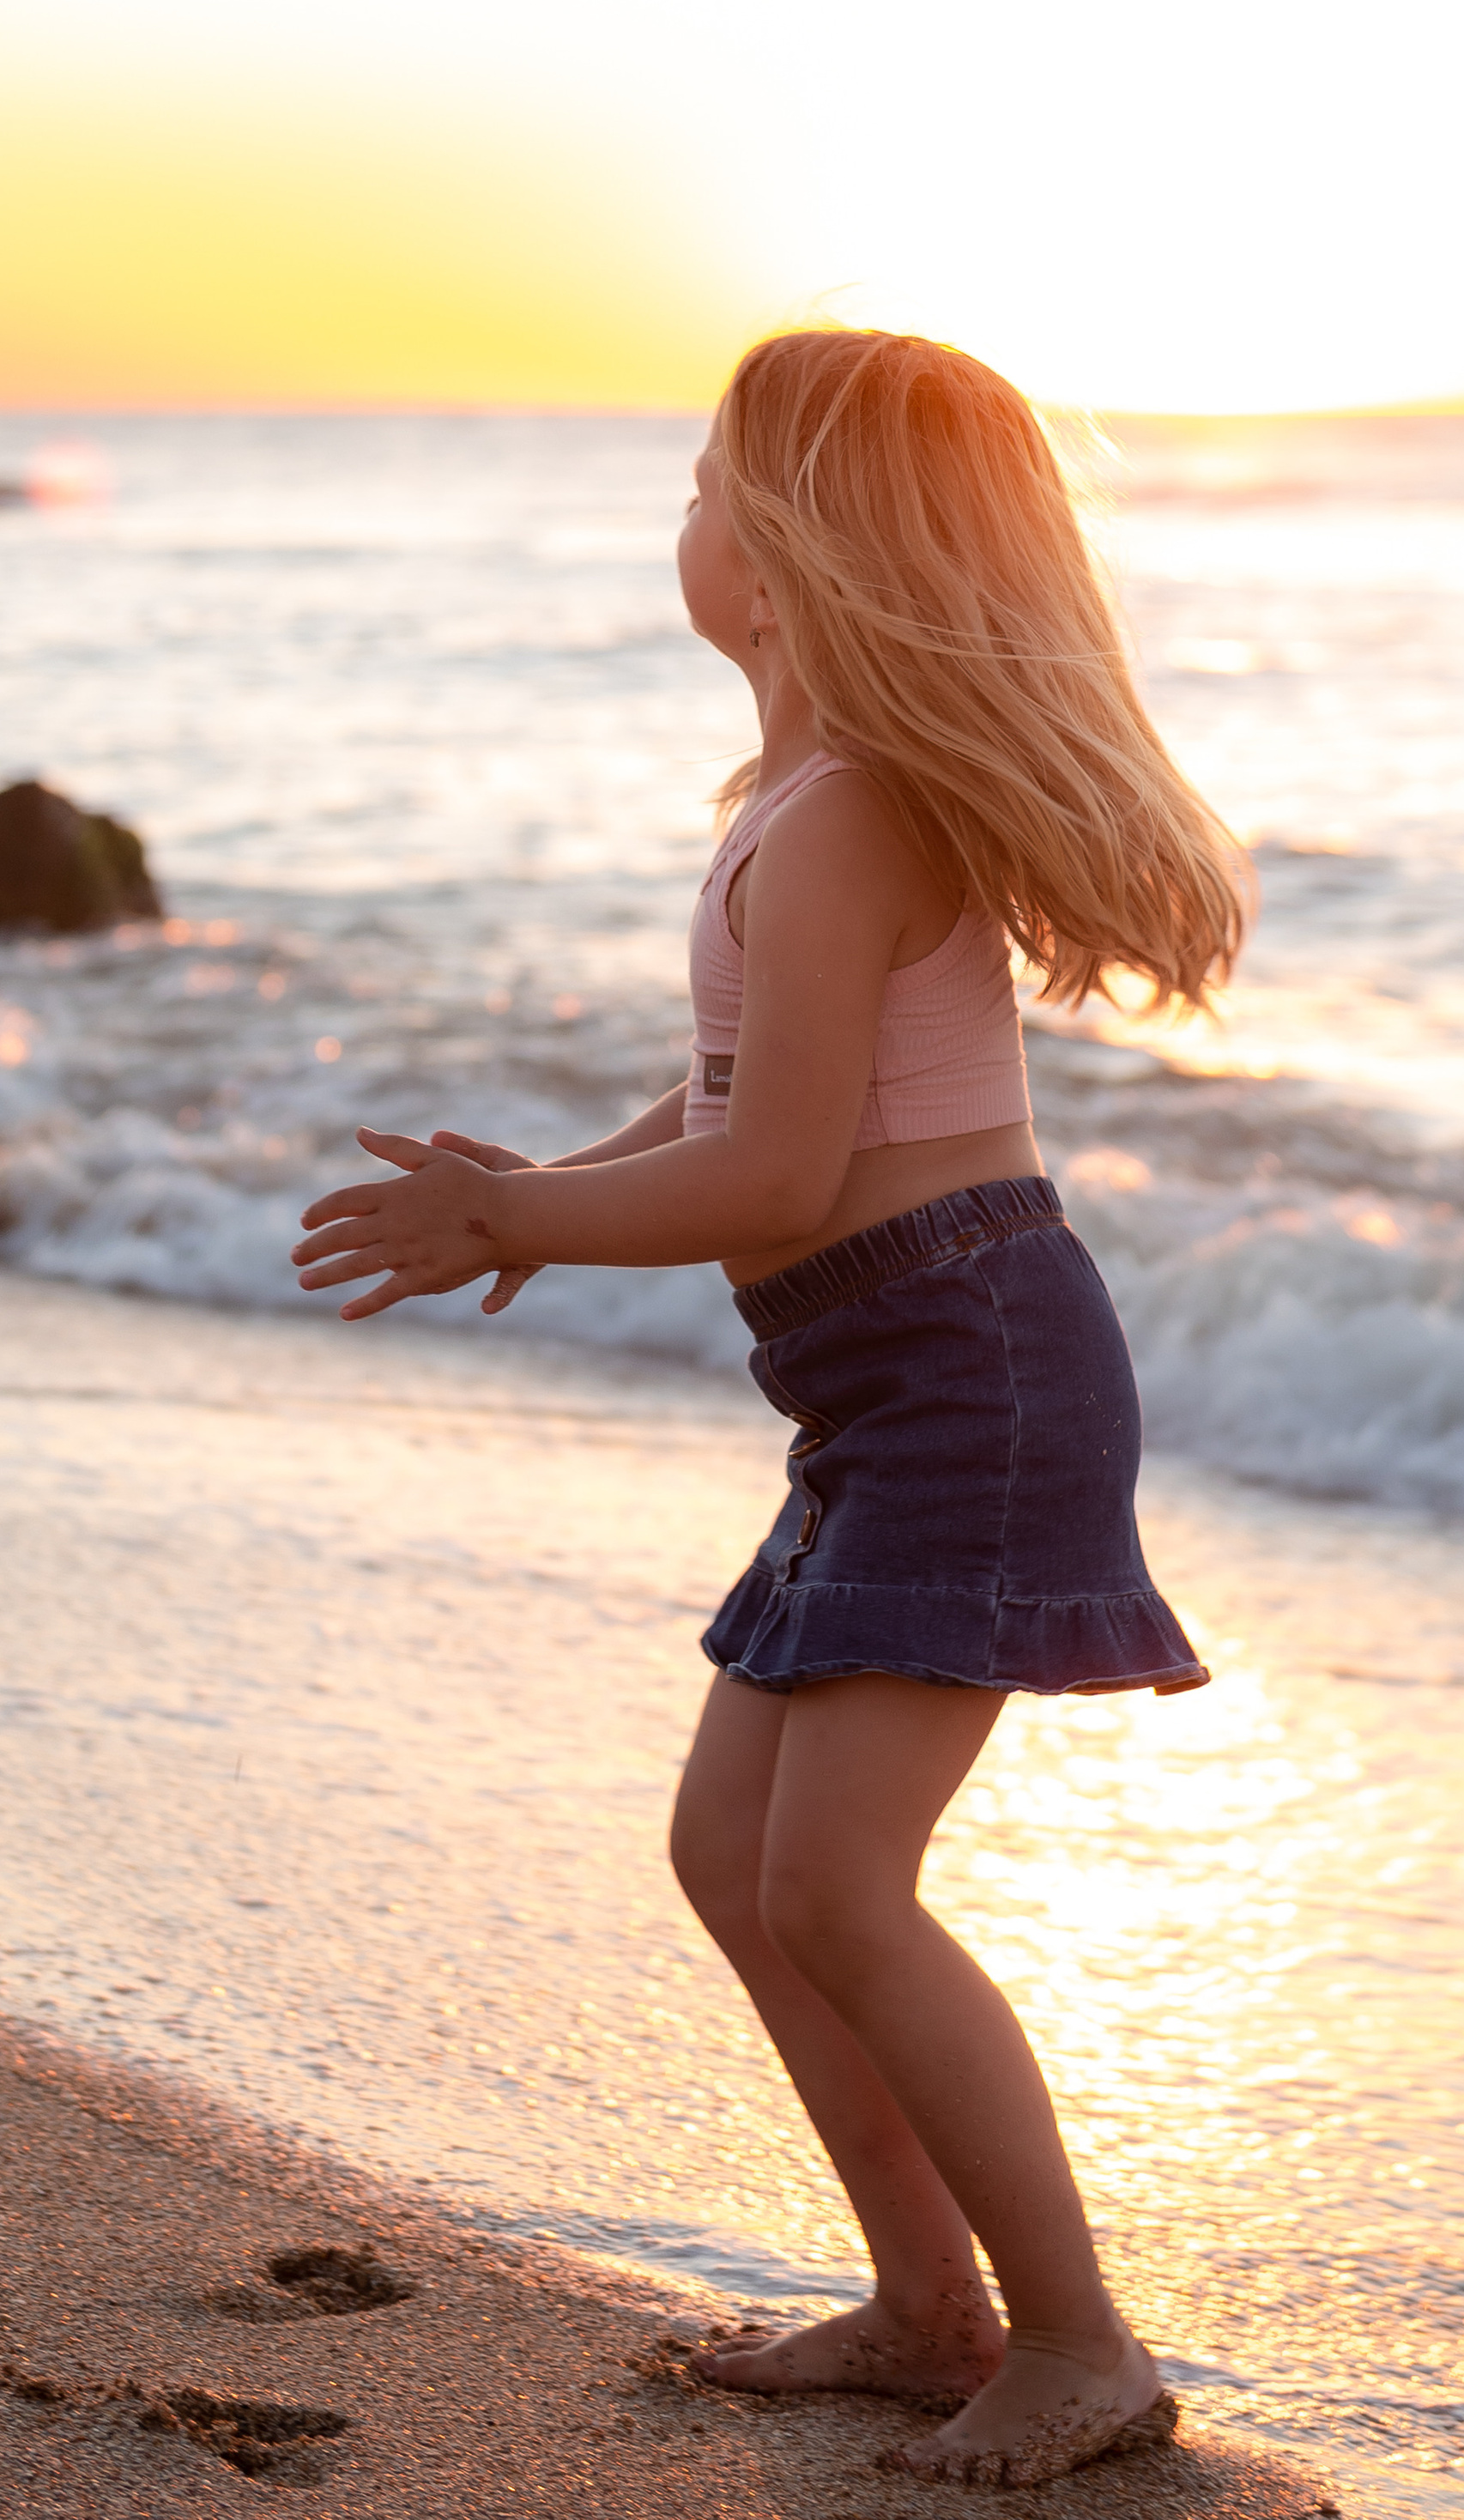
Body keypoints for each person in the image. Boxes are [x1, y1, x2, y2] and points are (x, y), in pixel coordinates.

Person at [293, 328, 1246, 2487]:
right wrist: (555, 1191)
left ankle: (1076, 2343)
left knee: (834, 1885)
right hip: (885, 1378)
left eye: (706, 487)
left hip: (964, 1374)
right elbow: (732, 1103)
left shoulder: (847, 817)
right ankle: (926, 2311)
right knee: (730, 1857)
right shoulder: (801, 808)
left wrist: (519, 1214)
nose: (686, 521)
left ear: (794, 546)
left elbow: (782, 1180)